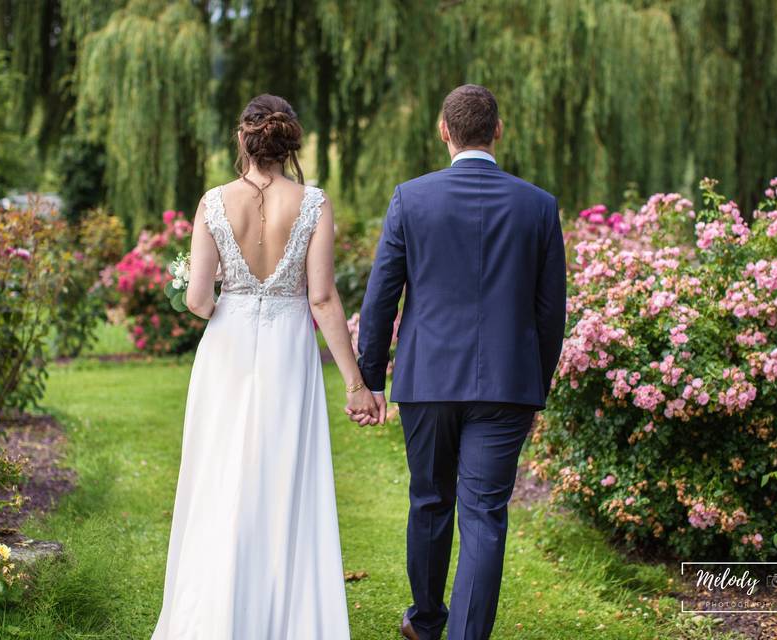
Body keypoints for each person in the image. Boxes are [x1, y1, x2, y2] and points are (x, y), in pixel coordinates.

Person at [152, 94, 378, 640]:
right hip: (286, 351)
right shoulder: (314, 203)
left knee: (220, 473)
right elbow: (322, 299)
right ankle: (288, 618)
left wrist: (188, 285)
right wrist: (356, 384)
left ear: (243, 139)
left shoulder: (212, 202)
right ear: (289, 142)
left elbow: (201, 301)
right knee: (284, 478)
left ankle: (216, 612)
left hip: (225, 349)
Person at [353, 84, 567, 640]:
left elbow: (381, 297)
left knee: (429, 499)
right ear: (498, 130)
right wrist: (534, 386)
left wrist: (370, 378)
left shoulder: (411, 198)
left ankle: (425, 622)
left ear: (444, 131)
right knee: (484, 516)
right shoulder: (538, 206)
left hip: (427, 381)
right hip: (507, 385)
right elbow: (551, 312)